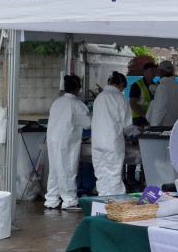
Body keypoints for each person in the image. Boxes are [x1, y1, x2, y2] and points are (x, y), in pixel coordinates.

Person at [44, 75, 91, 210]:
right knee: (68, 170)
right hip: (67, 142)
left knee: (55, 170)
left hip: (53, 140)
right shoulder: (77, 104)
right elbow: (87, 124)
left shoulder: (57, 102)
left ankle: (51, 200)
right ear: (78, 88)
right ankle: (69, 200)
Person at [92, 72, 138, 196]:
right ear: (121, 85)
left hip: (97, 143)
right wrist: (134, 132)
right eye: (123, 88)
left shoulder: (99, 97)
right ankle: (117, 206)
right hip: (112, 143)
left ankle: (103, 205)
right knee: (114, 176)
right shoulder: (120, 98)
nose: (123, 90)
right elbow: (127, 126)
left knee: (101, 176)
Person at [145, 60, 178, 129]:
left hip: (162, 126)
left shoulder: (162, 86)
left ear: (161, 71)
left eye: (158, 70)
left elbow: (160, 109)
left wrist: (153, 127)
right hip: (174, 124)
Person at [127, 59, 160, 125]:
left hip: (151, 118)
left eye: (155, 70)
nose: (154, 73)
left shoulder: (156, 85)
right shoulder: (137, 85)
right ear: (145, 72)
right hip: (138, 119)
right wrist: (145, 115)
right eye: (151, 70)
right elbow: (132, 104)